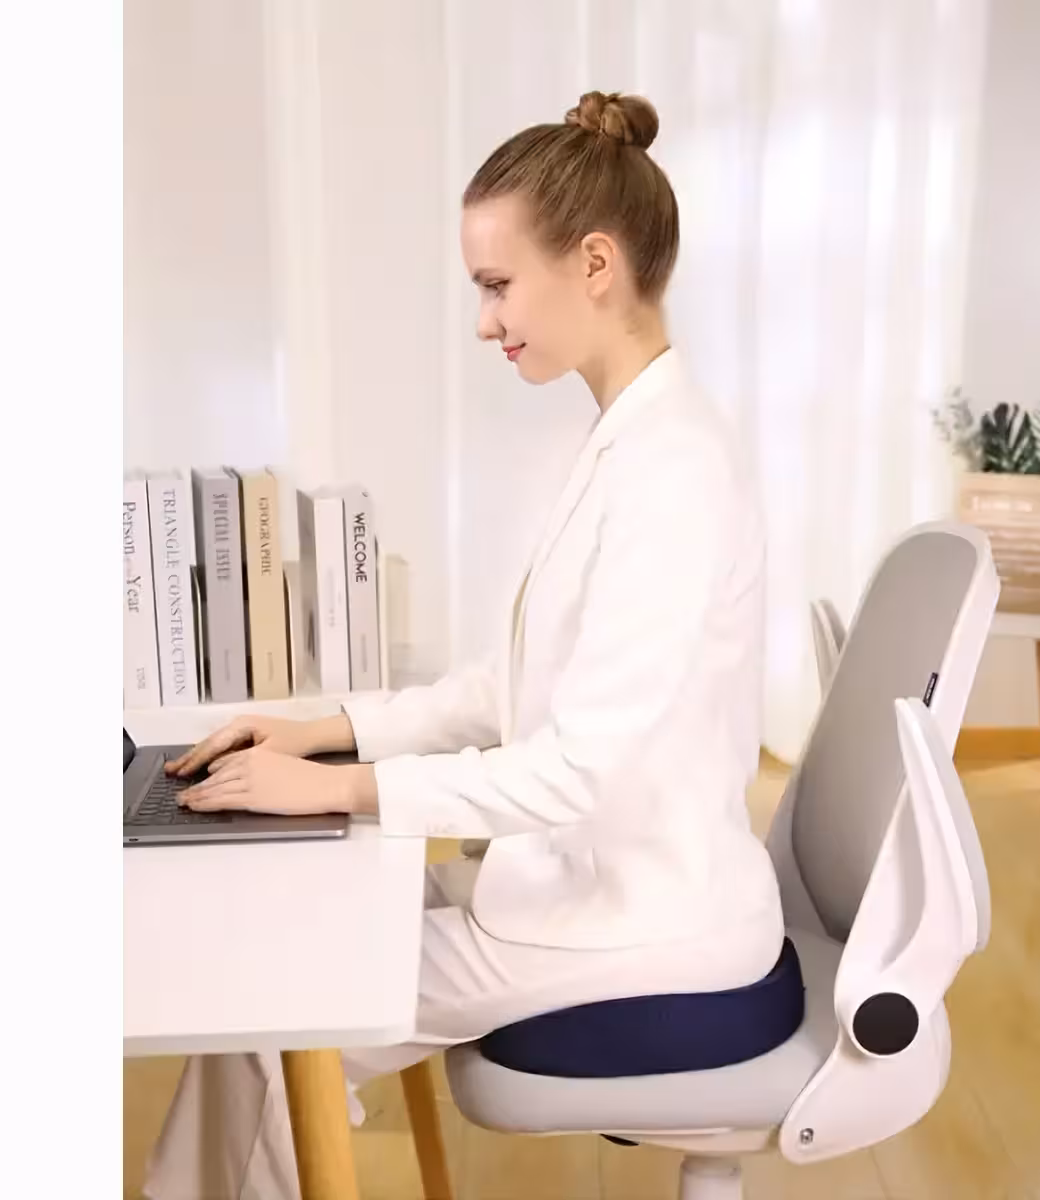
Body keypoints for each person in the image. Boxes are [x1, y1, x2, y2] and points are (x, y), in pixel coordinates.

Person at [143, 90, 784, 1200]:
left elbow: (574, 770)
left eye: (496, 285)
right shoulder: (630, 440)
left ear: (594, 263)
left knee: (271, 1017)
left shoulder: (674, 471)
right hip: (586, 882)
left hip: (643, 916)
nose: (486, 322)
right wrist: (325, 732)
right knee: (273, 968)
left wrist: (339, 790)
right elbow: (513, 690)